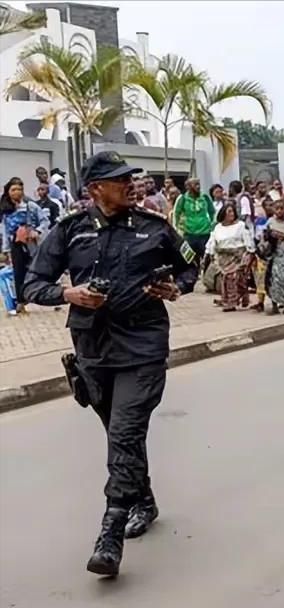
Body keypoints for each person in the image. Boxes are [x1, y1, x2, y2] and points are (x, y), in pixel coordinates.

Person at [23, 151, 198, 576]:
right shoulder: (69, 232)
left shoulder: (155, 227)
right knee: (120, 434)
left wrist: (177, 288)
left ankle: (110, 532)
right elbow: (32, 284)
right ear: (95, 189)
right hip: (93, 350)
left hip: (143, 345)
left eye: (130, 179)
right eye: (120, 180)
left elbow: (191, 266)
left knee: (124, 431)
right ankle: (145, 499)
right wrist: (69, 295)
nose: (130, 185)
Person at [1, 178, 51, 315]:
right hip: (16, 244)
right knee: (18, 273)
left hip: (32, 243)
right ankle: (20, 302)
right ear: (8, 192)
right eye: (13, 190)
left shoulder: (31, 206)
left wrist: (37, 232)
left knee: (37, 269)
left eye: (19, 189)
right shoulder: (5, 210)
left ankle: (46, 294)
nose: (17, 192)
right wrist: (5, 250)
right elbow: (4, 231)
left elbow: (45, 221)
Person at [205, 203, 254, 311]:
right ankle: (234, 297)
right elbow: (212, 241)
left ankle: (232, 302)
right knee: (226, 279)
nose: (231, 214)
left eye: (232, 211)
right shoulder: (218, 227)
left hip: (238, 256)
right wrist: (210, 252)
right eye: (229, 212)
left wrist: (250, 253)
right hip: (223, 257)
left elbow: (247, 240)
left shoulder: (240, 226)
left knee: (232, 278)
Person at [172, 178, 214, 268]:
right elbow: (176, 213)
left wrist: (212, 225)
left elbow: (212, 211)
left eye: (199, 184)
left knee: (208, 260)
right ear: (189, 187)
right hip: (189, 234)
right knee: (190, 260)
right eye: (195, 184)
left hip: (205, 233)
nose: (198, 187)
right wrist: (176, 229)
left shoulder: (205, 197)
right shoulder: (183, 198)